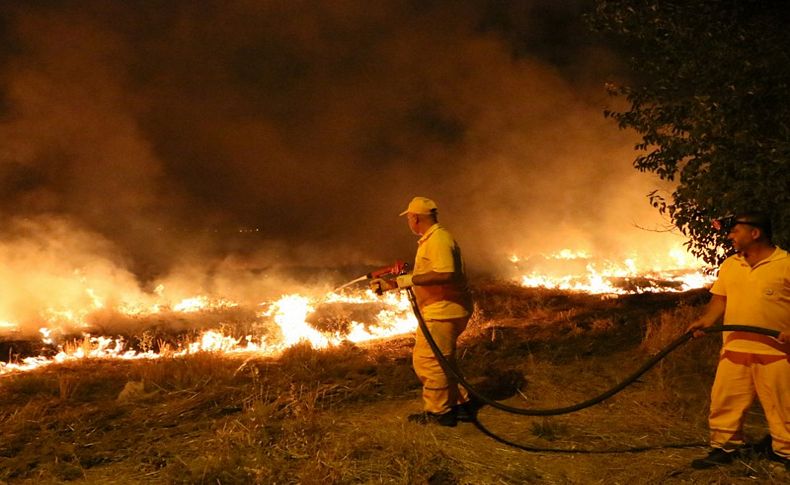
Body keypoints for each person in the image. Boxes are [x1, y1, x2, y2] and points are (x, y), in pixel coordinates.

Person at [686, 212, 790, 470]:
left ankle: (785, 453)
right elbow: (720, 298)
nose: (730, 236)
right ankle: (724, 447)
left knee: (783, 406)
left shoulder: (786, 264)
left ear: (755, 233)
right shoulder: (731, 264)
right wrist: (706, 320)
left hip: (777, 352)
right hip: (735, 348)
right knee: (725, 401)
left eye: (735, 231)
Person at [372, 196, 475, 427]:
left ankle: (439, 412)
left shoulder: (438, 239)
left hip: (443, 311)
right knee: (442, 360)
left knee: (428, 362)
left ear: (415, 218)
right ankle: (462, 405)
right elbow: (430, 275)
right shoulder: (434, 239)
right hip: (443, 309)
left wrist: (408, 279)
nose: (409, 222)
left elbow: (447, 273)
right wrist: (394, 284)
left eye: (409, 218)